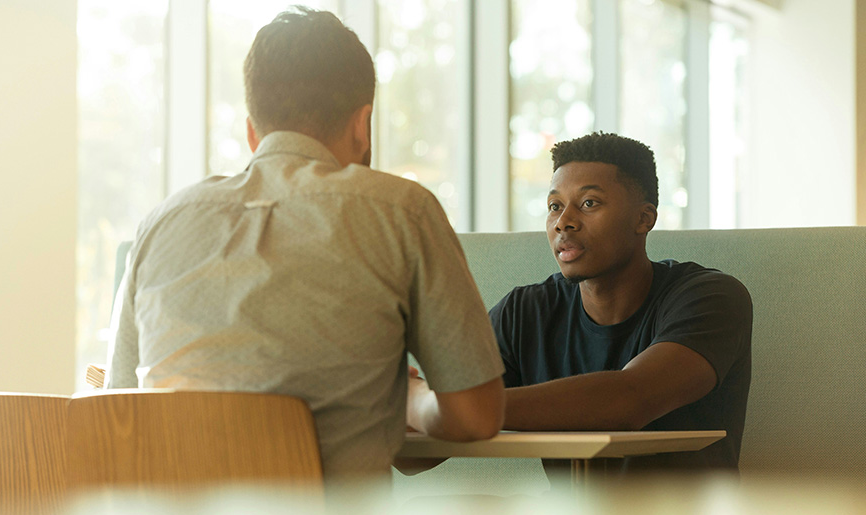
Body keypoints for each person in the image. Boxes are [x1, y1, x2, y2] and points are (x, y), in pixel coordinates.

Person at [105, 7, 505, 483]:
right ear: (363, 125)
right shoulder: (402, 211)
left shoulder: (160, 224)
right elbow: (476, 416)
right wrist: (412, 399)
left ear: (253, 131)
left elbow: (116, 412)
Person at [489, 132, 751, 479]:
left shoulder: (711, 298)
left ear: (644, 219)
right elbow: (417, 455)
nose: (563, 221)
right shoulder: (523, 312)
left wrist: (460, 407)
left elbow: (628, 401)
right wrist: (415, 400)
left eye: (589, 204)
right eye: (554, 206)